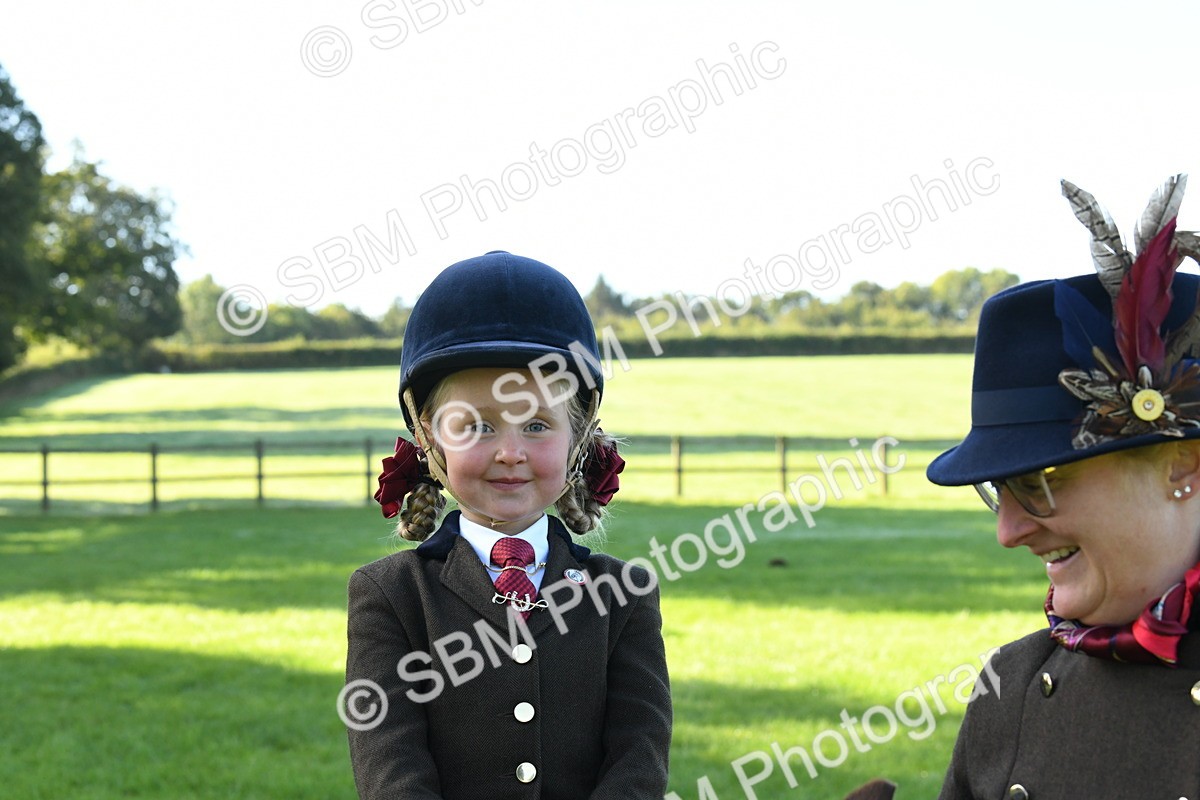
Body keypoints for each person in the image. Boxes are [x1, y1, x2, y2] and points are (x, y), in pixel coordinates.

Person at [343, 251, 672, 799]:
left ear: (579, 436)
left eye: (538, 424)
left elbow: (639, 757)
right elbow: (390, 766)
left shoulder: (624, 597)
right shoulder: (391, 595)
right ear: (428, 437)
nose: (511, 453)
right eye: (477, 426)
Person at [926, 175, 1200, 798]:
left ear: (1182, 464)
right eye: (999, 489)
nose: (1007, 531)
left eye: (1039, 482)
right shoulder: (1011, 687)